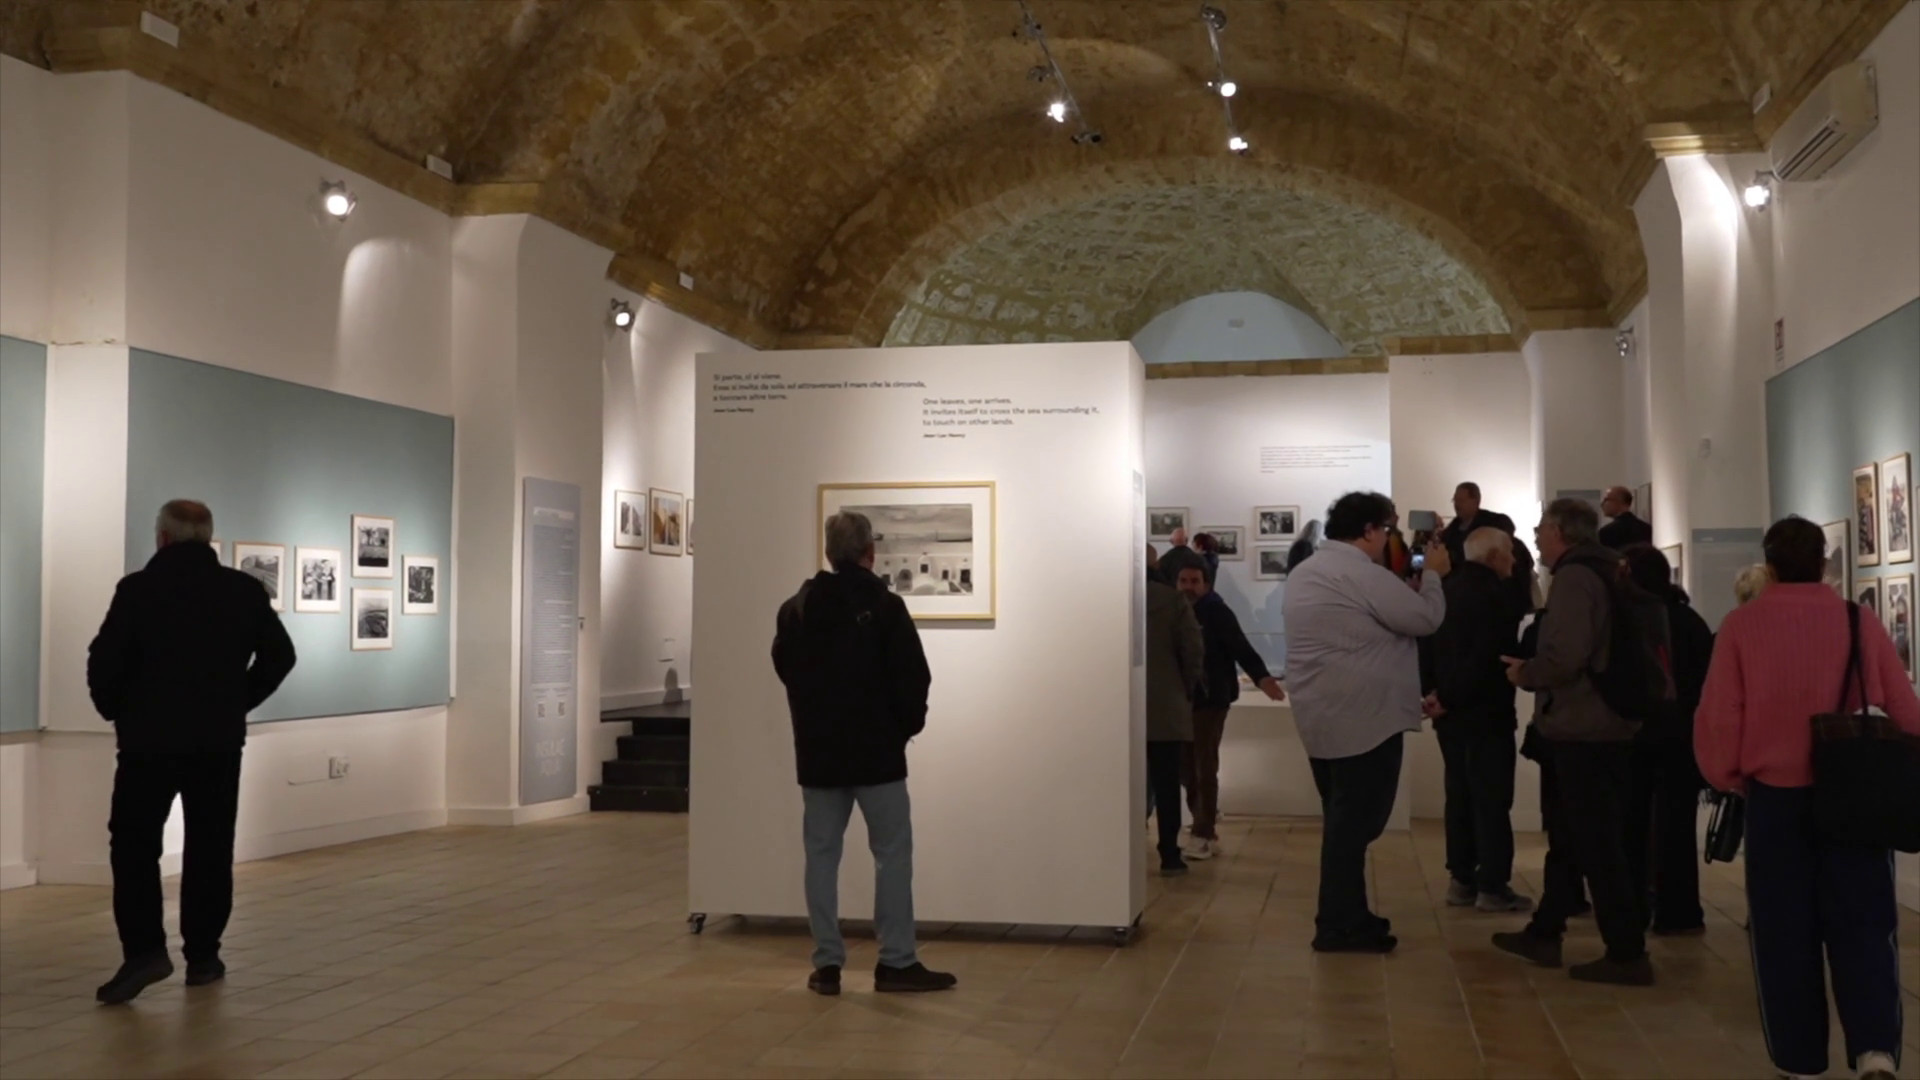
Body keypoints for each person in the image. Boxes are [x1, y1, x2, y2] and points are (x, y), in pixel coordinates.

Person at [1696, 517, 1920, 1080]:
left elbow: (1721, 715)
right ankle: (1874, 1050)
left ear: (1769, 567)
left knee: (1783, 933)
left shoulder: (1741, 626)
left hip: (1776, 798)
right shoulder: (1858, 620)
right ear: (1823, 564)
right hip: (1854, 794)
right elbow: (1903, 706)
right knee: (1865, 924)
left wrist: (1727, 774)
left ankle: (1800, 1062)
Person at [85, 500, 298, 1005]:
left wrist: (119, 711)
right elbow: (280, 656)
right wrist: (236, 702)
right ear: (207, 538)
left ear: (162, 537)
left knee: (134, 846)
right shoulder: (242, 590)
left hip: (148, 742)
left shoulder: (139, 589)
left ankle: (144, 952)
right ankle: (203, 956)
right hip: (217, 741)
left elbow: (104, 659)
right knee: (211, 845)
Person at [771, 511, 956, 996]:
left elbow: (786, 669)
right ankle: (896, 960)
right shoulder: (885, 606)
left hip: (819, 756)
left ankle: (827, 964)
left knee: (821, 857)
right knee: (892, 856)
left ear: (830, 552)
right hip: (878, 757)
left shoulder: (796, 609)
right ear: (869, 552)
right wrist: (901, 729)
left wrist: (815, 722)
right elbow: (914, 678)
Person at [1492, 497, 1653, 985]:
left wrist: (1526, 674)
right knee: (1570, 837)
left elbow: (1566, 655)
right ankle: (1546, 931)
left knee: (1596, 843)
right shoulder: (1606, 570)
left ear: (1560, 532)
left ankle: (1626, 952)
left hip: (1586, 727)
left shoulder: (1576, 578)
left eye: (1541, 528)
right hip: (1599, 724)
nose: (1536, 536)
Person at [1283, 492, 1448, 952]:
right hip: (1364, 721)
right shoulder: (1360, 572)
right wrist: (1435, 575)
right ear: (1370, 530)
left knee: (1344, 825)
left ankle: (1349, 916)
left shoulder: (1306, 571)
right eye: (1387, 529)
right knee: (1355, 827)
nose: (1389, 538)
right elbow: (1425, 618)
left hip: (1323, 716)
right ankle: (1337, 925)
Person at [1419, 527, 1530, 913]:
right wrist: (1449, 697)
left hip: (1449, 716)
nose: (1513, 560)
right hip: (1486, 713)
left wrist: (1433, 694)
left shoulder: (1444, 591)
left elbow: (1424, 644)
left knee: (1459, 796)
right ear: (1495, 556)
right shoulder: (1498, 597)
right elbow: (1487, 659)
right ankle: (1492, 884)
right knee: (1491, 799)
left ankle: (1461, 879)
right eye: (1510, 552)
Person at [1620, 544, 1713, 935]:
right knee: (1677, 826)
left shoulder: (1631, 620)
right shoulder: (1689, 620)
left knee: (1633, 825)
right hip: (1682, 735)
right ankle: (1680, 911)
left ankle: (1635, 909)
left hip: (1638, 735)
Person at [1172, 563, 1283, 860]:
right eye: (1183, 580)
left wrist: (1262, 678)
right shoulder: (1176, 612)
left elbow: (1240, 647)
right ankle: (1203, 822)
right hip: (1183, 700)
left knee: (1203, 765)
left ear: (1206, 584)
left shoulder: (1217, 612)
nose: (1188, 586)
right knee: (1187, 767)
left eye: (1194, 581)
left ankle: (1203, 832)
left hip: (1211, 699)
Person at [1146, 547, 1205, 875]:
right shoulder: (1172, 600)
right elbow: (1192, 652)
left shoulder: (1107, 600)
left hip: (1116, 710)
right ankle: (1169, 854)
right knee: (1167, 783)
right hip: (1164, 706)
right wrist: (1184, 690)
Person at [1438, 482, 1537, 615]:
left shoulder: (1497, 522)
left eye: (1461, 500)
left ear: (1476, 501)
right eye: (1455, 500)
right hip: (1461, 591)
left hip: (1491, 592)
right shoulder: (1450, 531)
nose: (1457, 505)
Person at [1598, 486, 1653, 550]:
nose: (1602, 504)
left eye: (1606, 500)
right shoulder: (1646, 528)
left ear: (1619, 501)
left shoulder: (1607, 532)